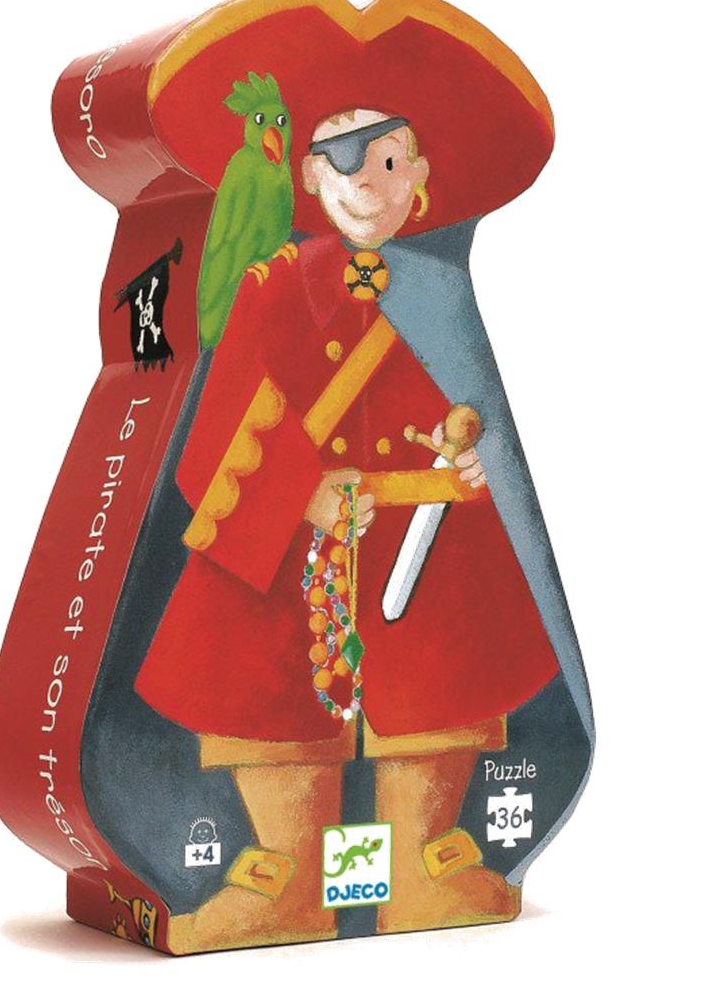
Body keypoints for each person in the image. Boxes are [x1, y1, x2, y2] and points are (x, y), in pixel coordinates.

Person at [135, 109, 559, 952]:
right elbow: (211, 443)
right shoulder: (271, 289)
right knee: (269, 687)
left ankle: (425, 865)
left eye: (389, 161)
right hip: (291, 547)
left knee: (444, 677)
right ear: (310, 179)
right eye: (343, 163)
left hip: (422, 549)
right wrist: (301, 494)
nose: (368, 182)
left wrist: (471, 468)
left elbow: (471, 416)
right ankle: (287, 876)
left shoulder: (438, 297)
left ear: (419, 176)